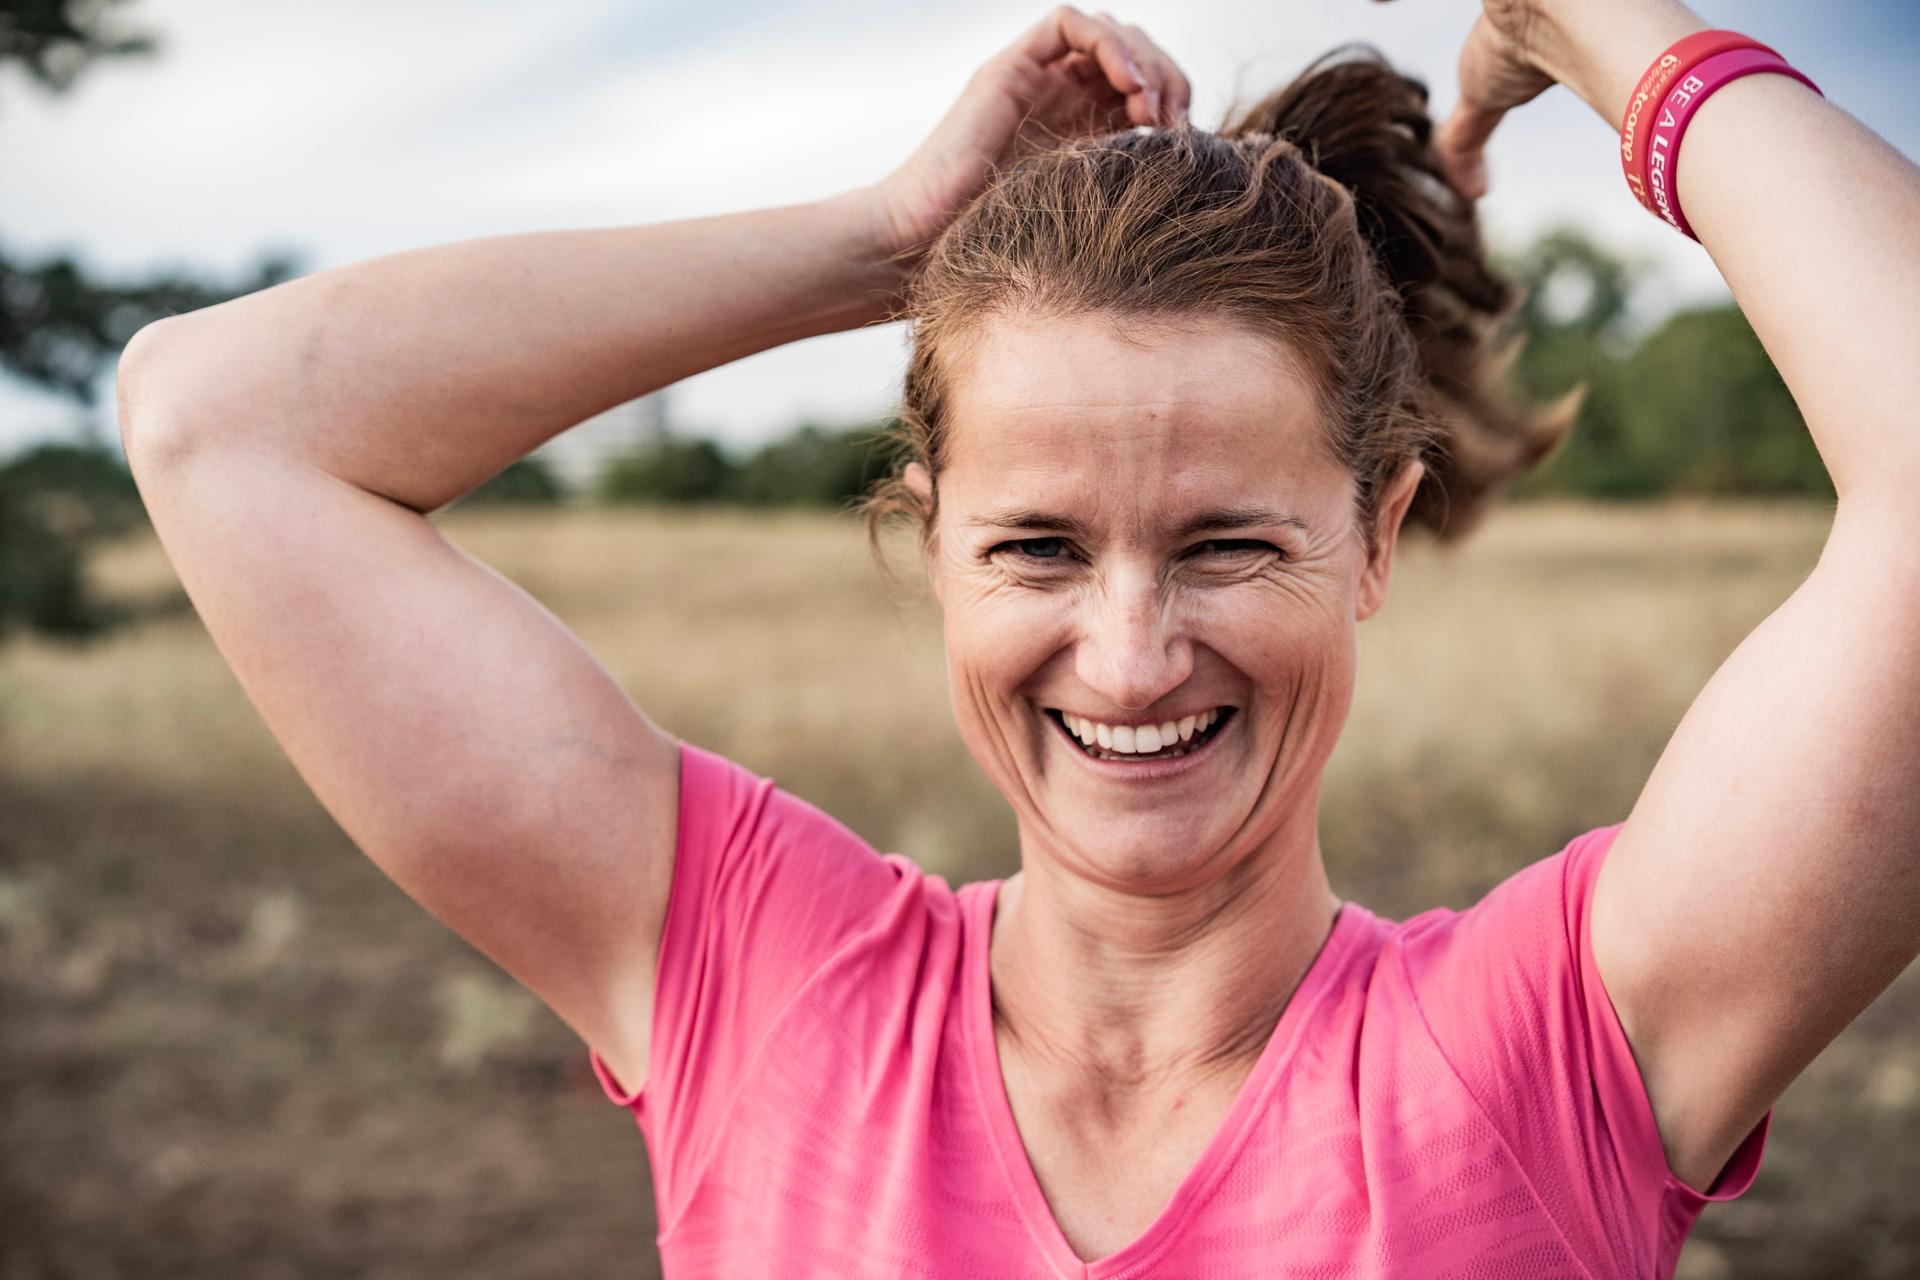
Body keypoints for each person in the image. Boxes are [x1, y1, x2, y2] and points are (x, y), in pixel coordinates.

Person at [114, 0, 1919, 1274]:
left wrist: (1606, 33)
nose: (1131, 657)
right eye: (1039, 546)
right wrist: (884, 241)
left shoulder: (1542, 1064)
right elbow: (222, 417)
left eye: (1227, 544)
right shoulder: (764, 987)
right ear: (930, 538)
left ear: (1375, 538)